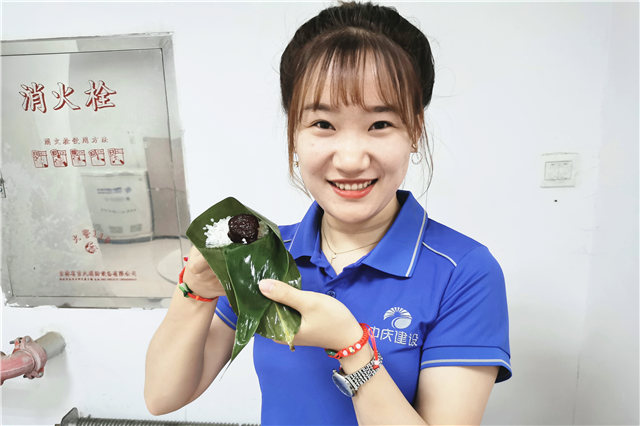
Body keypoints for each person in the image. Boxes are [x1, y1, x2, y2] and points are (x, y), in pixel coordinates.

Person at [145, 2, 511, 424]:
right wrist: (195, 293)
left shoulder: (464, 272)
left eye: (380, 124)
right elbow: (162, 397)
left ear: (414, 130)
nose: (351, 159)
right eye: (323, 124)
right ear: (294, 134)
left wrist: (351, 347)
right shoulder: (266, 250)